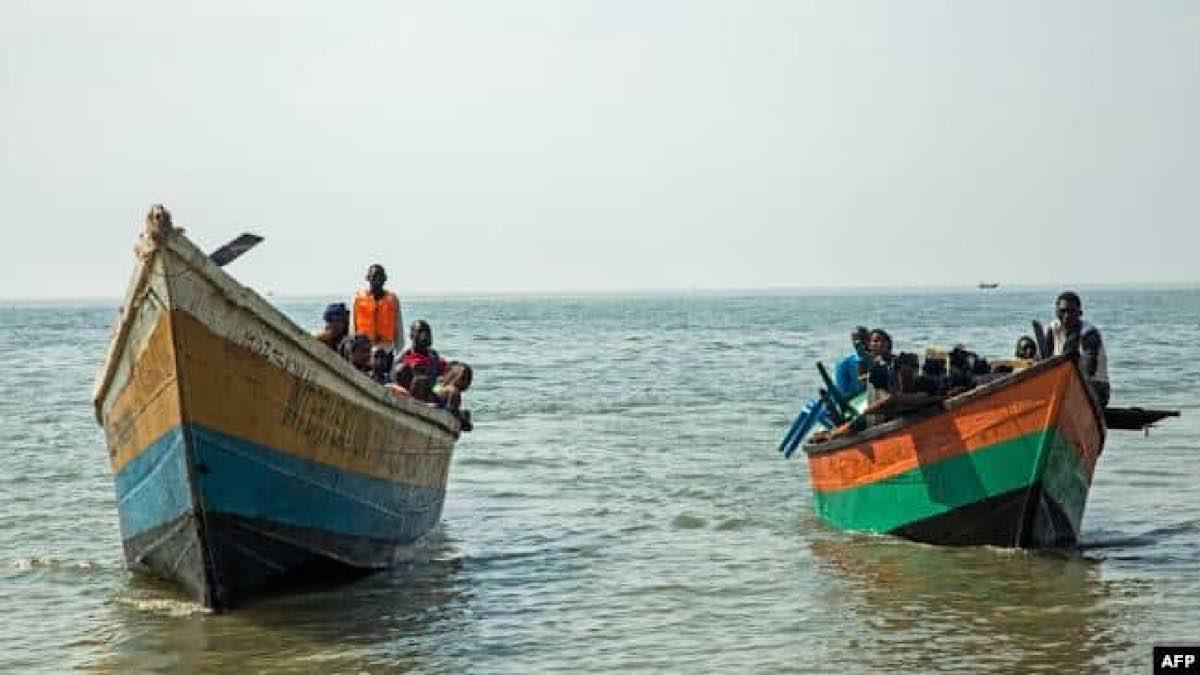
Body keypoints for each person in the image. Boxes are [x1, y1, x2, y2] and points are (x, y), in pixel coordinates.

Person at [1046, 291, 1110, 406]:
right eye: (1063, 311)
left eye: (1072, 311)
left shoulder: (1089, 334)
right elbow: (1045, 359)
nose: (1067, 316)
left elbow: (1088, 370)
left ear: (1080, 313)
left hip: (1095, 386)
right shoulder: (1053, 328)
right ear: (1056, 312)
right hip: (1064, 385)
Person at [352, 264, 405, 353]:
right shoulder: (358, 298)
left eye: (380, 277)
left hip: (386, 347)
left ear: (385, 278)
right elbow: (353, 326)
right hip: (364, 347)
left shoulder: (393, 299)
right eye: (374, 277)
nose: (377, 280)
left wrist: (399, 350)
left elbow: (398, 326)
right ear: (368, 278)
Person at [394, 320, 447, 402]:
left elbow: (440, 380)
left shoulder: (434, 357)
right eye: (420, 332)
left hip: (431, 394)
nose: (424, 336)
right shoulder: (404, 357)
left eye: (427, 332)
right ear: (411, 335)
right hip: (409, 397)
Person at [833, 326, 871, 398]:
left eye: (863, 338)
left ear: (870, 339)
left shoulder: (879, 359)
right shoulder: (844, 364)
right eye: (856, 339)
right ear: (852, 341)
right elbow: (842, 392)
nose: (859, 342)